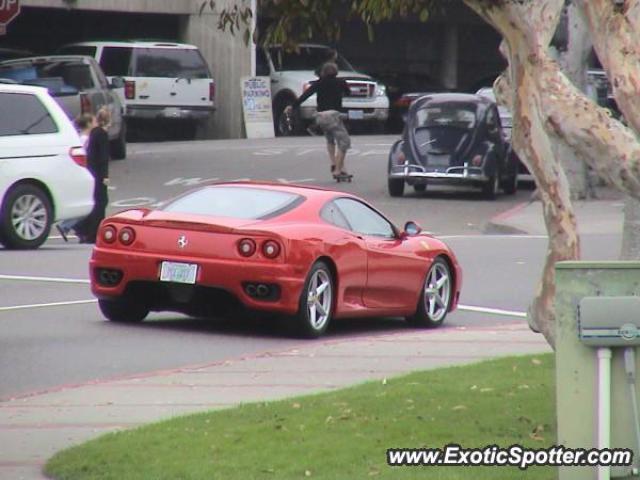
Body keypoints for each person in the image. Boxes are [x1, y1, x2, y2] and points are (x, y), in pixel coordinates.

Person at [286, 62, 352, 178]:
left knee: (330, 139)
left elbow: (305, 95)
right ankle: (337, 170)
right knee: (344, 143)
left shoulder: (318, 83)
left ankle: (335, 163)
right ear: (336, 72)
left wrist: (293, 106)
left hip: (320, 117)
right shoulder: (340, 82)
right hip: (333, 116)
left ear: (323, 72)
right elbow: (348, 93)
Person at [56, 113, 96, 242]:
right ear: (89, 123)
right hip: (81, 172)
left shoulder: (82, 137)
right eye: (94, 122)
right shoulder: (84, 139)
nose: (96, 124)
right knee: (87, 205)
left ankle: (77, 230)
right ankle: (66, 225)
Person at [74, 107, 111, 243]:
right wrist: (105, 175)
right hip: (98, 173)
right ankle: (92, 232)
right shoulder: (101, 134)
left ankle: (84, 230)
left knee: (96, 201)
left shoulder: (94, 133)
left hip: (92, 171)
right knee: (101, 201)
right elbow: (103, 157)